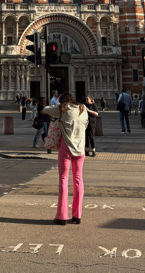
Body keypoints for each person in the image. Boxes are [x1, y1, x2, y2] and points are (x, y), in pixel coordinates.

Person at [42, 92, 88, 225]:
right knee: (78, 179)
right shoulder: (83, 108)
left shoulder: (62, 109)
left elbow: (45, 109)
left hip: (66, 148)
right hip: (80, 149)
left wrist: (58, 105)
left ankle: (62, 216)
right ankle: (77, 215)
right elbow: (85, 125)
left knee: (63, 179)